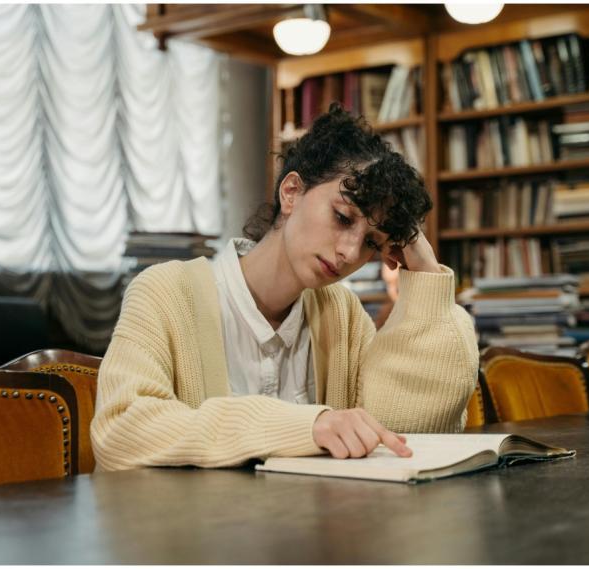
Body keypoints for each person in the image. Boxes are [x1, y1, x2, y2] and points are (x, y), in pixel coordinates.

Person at [91, 103, 479, 471]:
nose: (348, 252)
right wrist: (304, 426)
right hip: (191, 536)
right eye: (343, 218)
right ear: (291, 192)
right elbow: (121, 429)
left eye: (371, 243)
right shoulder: (165, 292)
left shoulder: (342, 314)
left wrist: (426, 274)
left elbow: (399, 433)